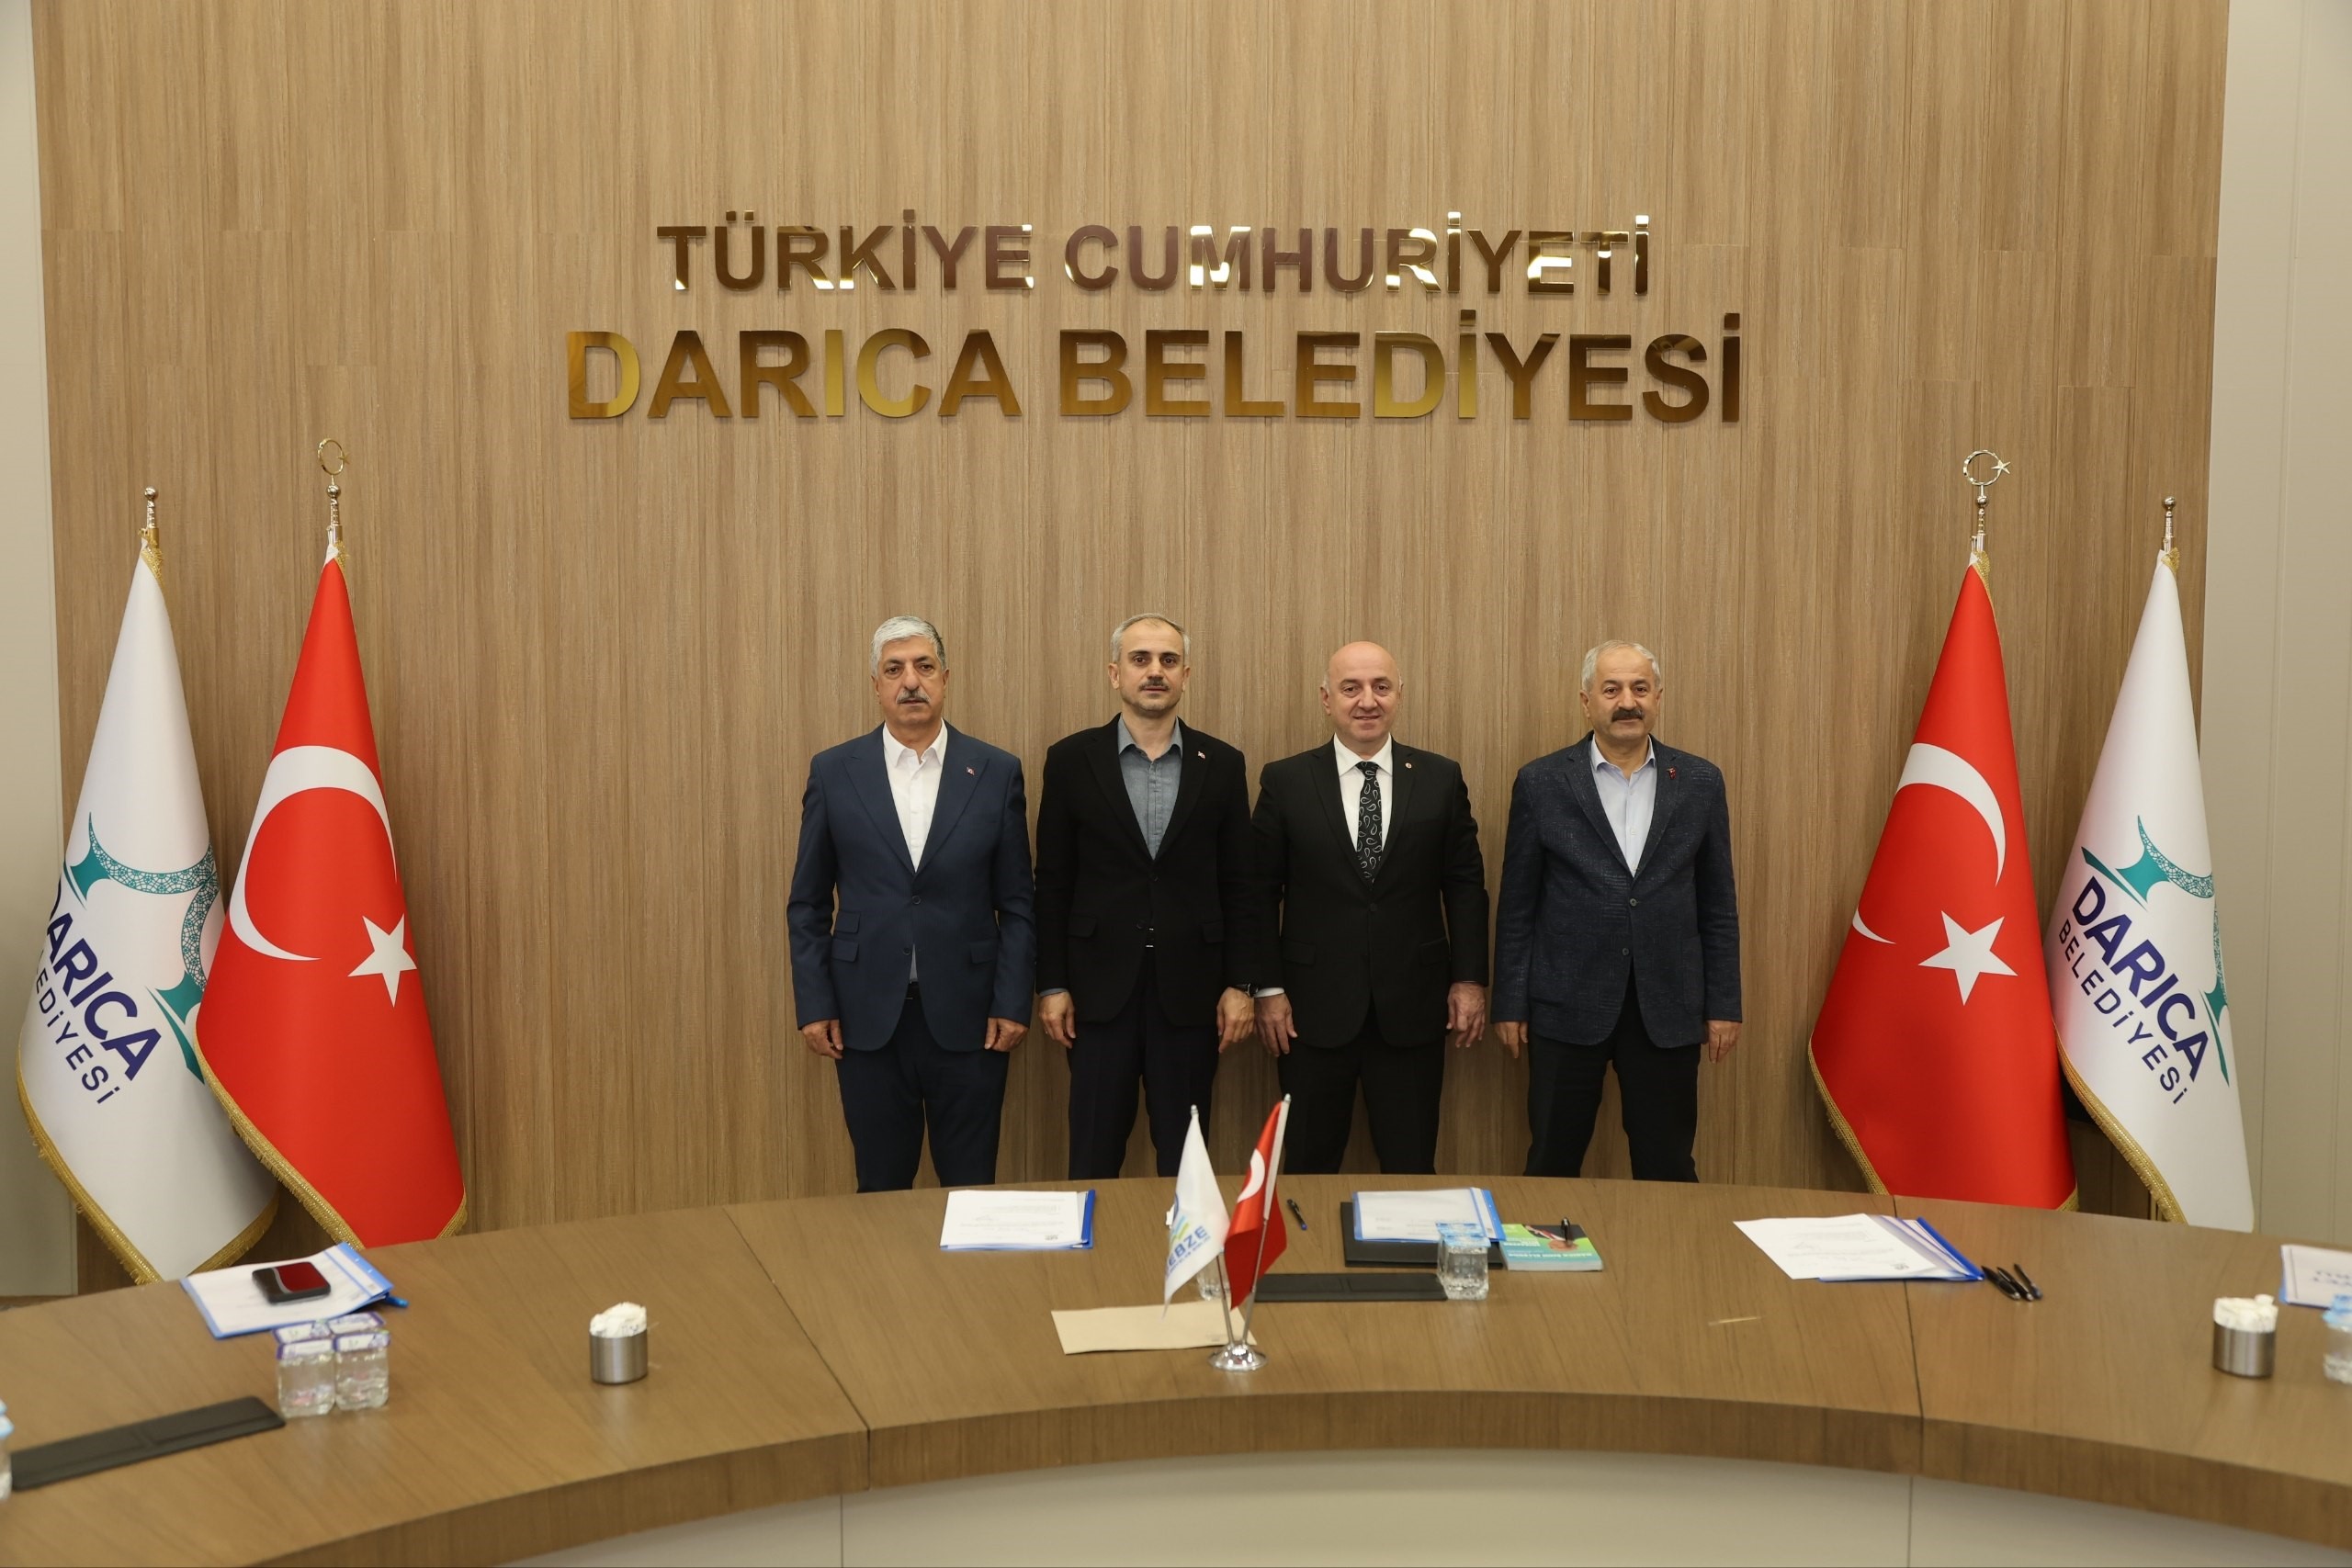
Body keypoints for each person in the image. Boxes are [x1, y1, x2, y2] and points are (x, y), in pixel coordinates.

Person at [786, 615, 1035, 1191]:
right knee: (880, 1188)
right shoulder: (835, 771)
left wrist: (1012, 1001)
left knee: (970, 1189)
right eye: (894, 670)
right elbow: (807, 903)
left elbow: (1019, 902)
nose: (911, 682)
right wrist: (815, 1003)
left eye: (924, 667)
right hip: (866, 1017)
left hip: (973, 1017)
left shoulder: (996, 771)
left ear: (945, 678)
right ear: (876, 685)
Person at [1491, 639, 1741, 1182]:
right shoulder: (1541, 782)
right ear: (1587, 702)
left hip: (1667, 1006)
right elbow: (1518, 905)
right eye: (1612, 690)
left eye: (1639, 688)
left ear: (1658, 697)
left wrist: (1724, 1004)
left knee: (1668, 1165)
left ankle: (1667, 1243)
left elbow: (1718, 903)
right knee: (1552, 1160)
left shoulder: (1700, 781)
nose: (1627, 701)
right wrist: (1509, 1001)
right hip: (1565, 1002)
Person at [1250, 641, 1488, 1174]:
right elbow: (1259, 893)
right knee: (1308, 1167)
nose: (1367, 701)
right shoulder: (1285, 781)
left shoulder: (1440, 777)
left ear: (1399, 694)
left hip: (1414, 1007)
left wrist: (1470, 980)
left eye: (1381, 687)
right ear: (1326, 699)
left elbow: (1465, 886)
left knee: (1411, 1166)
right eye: (1350, 688)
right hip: (1308, 1013)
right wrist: (1267, 989)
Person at [1035, 615, 1258, 1179]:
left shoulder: (1222, 764)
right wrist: (1053, 984)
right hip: (1096, 993)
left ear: (1186, 674)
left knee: (1186, 1167)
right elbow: (1053, 881)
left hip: (1192, 994)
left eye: (1168, 660)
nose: (1154, 671)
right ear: (1115, 673)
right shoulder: (1070, 760)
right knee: (1092, 1156)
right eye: (1140, 659)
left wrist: (1241, 984)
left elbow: (1241, 883)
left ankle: (1181, 1244)